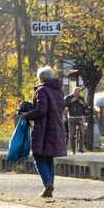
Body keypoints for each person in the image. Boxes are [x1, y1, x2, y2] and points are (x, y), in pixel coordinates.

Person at [21, 66, 66, 198]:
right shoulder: (59, 91)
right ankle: (49, 186)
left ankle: (47, 183)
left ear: (41, 78)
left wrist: (26, 115)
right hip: (56, 126)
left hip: (44, 128)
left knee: (38, 157)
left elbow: (41, 110)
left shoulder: (42, 90)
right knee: (49, 158)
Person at [63, 87, 89, 154]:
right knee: (71, 135)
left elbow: (86, 107)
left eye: (78, 92)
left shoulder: (81, 98)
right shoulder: (68, 97)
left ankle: (80, 148)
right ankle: (73, 150)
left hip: (80, 118)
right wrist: (71, 101)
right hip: (71, 118)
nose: (76, 93)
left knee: (83, 133)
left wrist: (82, 103)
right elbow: (63, 104)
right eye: (75, 92)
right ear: (73, 91)